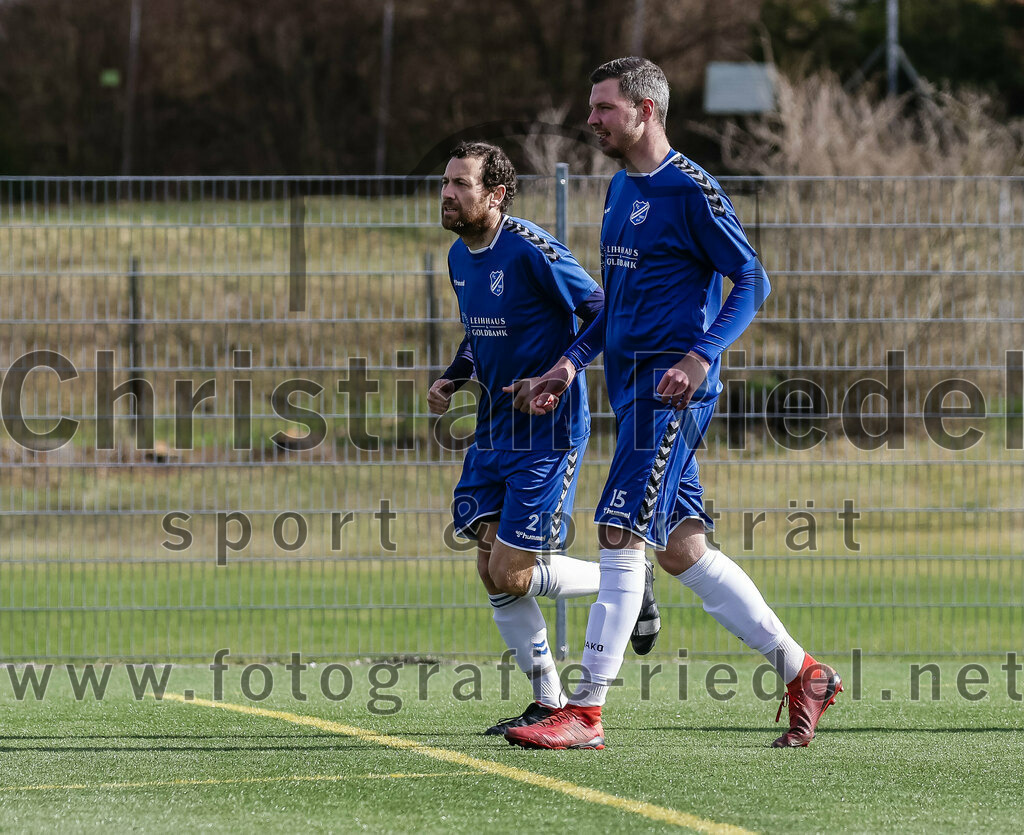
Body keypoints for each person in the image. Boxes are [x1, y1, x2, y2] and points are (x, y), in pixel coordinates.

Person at [505, 58, 841, 750]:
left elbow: (752, 279)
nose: (591, 119)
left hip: (670, 394)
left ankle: (586, 712)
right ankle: (804, 672)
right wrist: (569, 363)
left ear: (646, 110)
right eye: (592, 107)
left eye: (604, 108)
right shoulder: (621, 187)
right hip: (631, 392)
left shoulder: (690, 189)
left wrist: (701, 354)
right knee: (684, 550)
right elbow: (616, 304)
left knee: (618, 531)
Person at [430, 141, 660, 736]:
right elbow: (480, 332)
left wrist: (562, 371)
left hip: (547, 435)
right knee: (490, 570)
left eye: (460, 184)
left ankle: (627, 580)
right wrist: (455, 375)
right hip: (492, 431)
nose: (447, 194)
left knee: (510, 572)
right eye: (446, 183)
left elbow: (604, 311)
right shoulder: (458, 256)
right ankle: (548, 701)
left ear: (496, 194)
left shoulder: (533, 249)